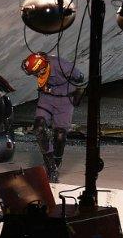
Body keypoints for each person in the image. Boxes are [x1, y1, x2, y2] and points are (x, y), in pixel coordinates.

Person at [21, 52, 84, 182]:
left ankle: (56, 162)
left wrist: (75, 88)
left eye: (36, 73)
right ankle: (50, 166)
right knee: (39, 128)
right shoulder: (41, 67)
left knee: (60, 135)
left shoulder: (63, 66)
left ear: (43, 68)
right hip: (46, 98)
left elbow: (80, 78)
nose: (36, 76)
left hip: (65, 101)